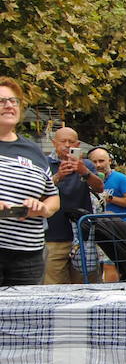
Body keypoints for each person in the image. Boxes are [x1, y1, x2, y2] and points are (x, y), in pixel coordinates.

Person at [0, 78, 59, 286]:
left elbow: (53, 195)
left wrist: (42, 207)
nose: (9, 105)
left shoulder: (33, 151)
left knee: (24, 316)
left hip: (29, 256)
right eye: (1, 101)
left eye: (13, 101)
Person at [44, 127, 104, 284]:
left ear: (77, 144)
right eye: (63, 141)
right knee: (53, 287)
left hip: (83, 236)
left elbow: (99, 188)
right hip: (53, 236)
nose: (67, 145)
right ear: (54, 143)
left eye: (71, 142)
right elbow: (37, 192)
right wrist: (57, 176)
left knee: (86, 284)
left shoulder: (87, 165)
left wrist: (84, 171)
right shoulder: (44, 164)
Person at [87, 146, 126, 282]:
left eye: (101, 161)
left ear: (109, 161)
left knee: (110, 265)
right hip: (95, 230)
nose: (98, 165)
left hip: (118, 230)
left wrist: (110, 198)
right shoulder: (86, 180)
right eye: (94, 161)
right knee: (95, 267)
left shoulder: (121, 179)